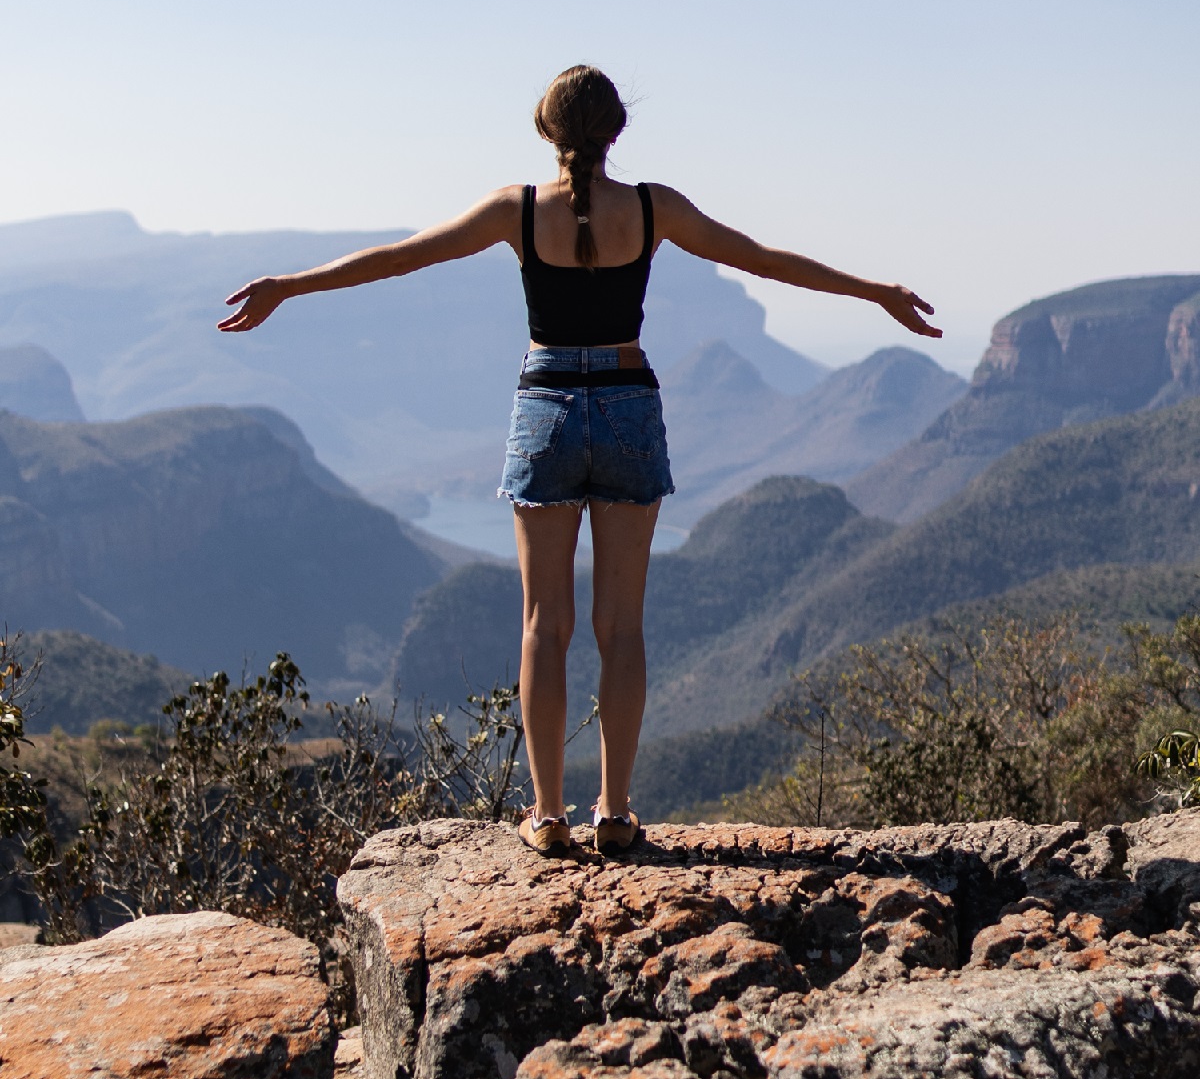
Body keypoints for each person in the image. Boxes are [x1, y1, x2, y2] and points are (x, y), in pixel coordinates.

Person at [218, 64, 941, 860]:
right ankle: (618, 812)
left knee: (544, 625)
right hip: (629, 404)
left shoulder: (517, 211)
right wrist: (875, 292)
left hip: (547, 407)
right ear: (616, 131)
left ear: (547, 131)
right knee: (620, 626)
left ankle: (550, 813)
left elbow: (401, 256)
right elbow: (761, 257)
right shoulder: (654, 207)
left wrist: (289, 285)